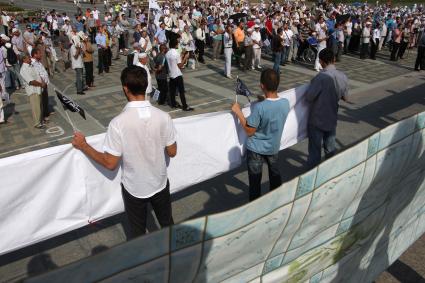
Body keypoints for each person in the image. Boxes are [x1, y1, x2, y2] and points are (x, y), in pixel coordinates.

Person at [72, 64, 177, 238]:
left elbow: (110, 163)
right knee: (168, 225)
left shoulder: (118, 123)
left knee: (138, 234)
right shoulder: (163, 116)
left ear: (125, 89)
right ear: (146, 86)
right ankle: (177, 256)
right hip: (160, 181)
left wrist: (83, 145)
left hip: (134, 187)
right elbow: (172, 151)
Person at [231, 69, 290, 201]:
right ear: (278, 84)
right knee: (275, 176)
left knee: (255, 183)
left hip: (256, 149)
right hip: (273, 146)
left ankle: (256, 207)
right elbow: (273, 106)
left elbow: (249, 131)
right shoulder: (285, 103)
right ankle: (276, 201)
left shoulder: (260, 108)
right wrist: (264, 99)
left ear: (262, 86)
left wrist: (238, 112)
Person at [305, 48, 349, 168]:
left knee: (315, 152)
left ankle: (313, 176)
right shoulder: (342, 76)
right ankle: (330, 173)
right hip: (332, 117)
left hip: (317, 119)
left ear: (321, 61)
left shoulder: (320, 78)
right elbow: (346, 98)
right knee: (330, 149)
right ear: (334, 60)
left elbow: (309, 97)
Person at [165, 38, 193, 111]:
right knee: (181, 91)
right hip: (177, 74)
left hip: (171, 74)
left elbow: (173, 62)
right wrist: (185, 58)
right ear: (175, 45)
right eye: (177, 44)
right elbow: (180, 65)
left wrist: (182, 55)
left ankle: (173, 104)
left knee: (172, 91)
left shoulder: (167, 53)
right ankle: (185, 106)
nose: (178, 45)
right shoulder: (176, 53)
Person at [20, 54, 46, 128]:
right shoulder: (24, 69)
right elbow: (31, 81)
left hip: (38, 89)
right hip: (33, 90)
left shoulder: (31, 66)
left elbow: (38, 75)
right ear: (24, 59)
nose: (31, 59)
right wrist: (41, 84)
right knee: (36, 107)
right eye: (29, 58)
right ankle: (37, 123)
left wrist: (43, 82)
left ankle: (41, 120)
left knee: (39, 106)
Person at [31, 48, 52, 122]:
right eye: (39, 53)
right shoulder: (33, 63)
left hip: (44, 84)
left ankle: (46, 113)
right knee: (41, 101)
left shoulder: (38, 62)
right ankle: (43, 117)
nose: (41, 55)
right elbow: (37, 74)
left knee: (45, 99)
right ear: (35, 54)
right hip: (40, 85)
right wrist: (42, 83)